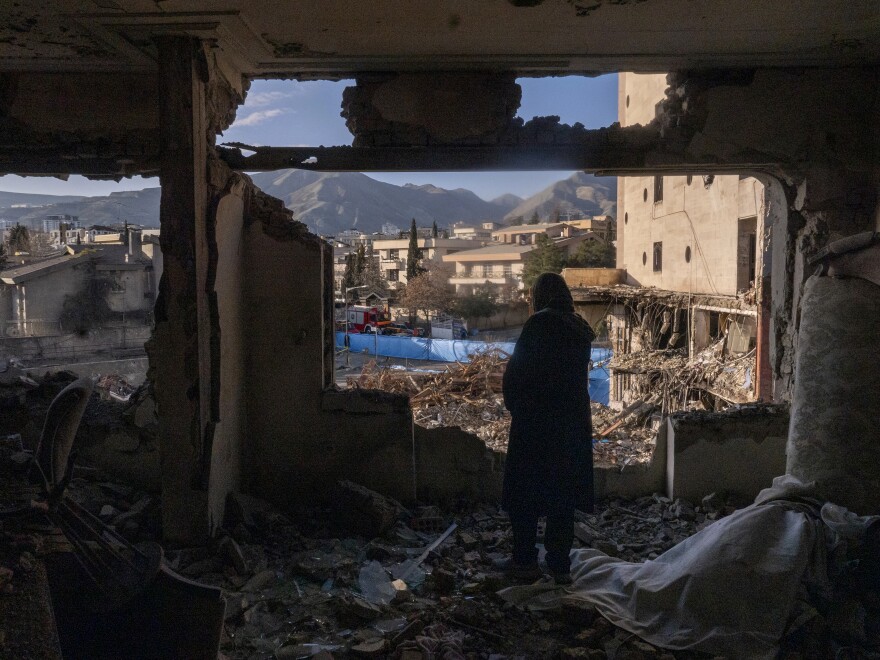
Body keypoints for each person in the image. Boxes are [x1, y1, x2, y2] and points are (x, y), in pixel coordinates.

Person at [498, 272, 596, 584]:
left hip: (536, 426)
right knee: (562, 498)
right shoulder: (580, 329)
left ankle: (525, 561)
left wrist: (516, 405)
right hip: (571, 429)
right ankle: (560, 565)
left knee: (524, 494)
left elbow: (517, 373)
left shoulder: (539, 324)